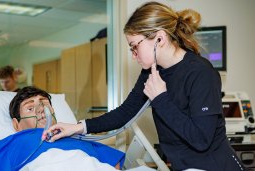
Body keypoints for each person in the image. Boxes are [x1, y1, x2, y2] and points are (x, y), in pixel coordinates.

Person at [43, 2, 245, 171]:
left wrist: (160, 98)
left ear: (159, 38)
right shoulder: (152, 72)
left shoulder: (200, 72)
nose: (133, 54)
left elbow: (201, 139)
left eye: (135, 46)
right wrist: (77, 127)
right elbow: (124, 113)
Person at [0, 86, 124, 170]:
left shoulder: (78, 137)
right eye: (30, 107)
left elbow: (115, 165)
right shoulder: (9, 143)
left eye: (44, 103)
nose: (40, 109)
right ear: (16, 124)